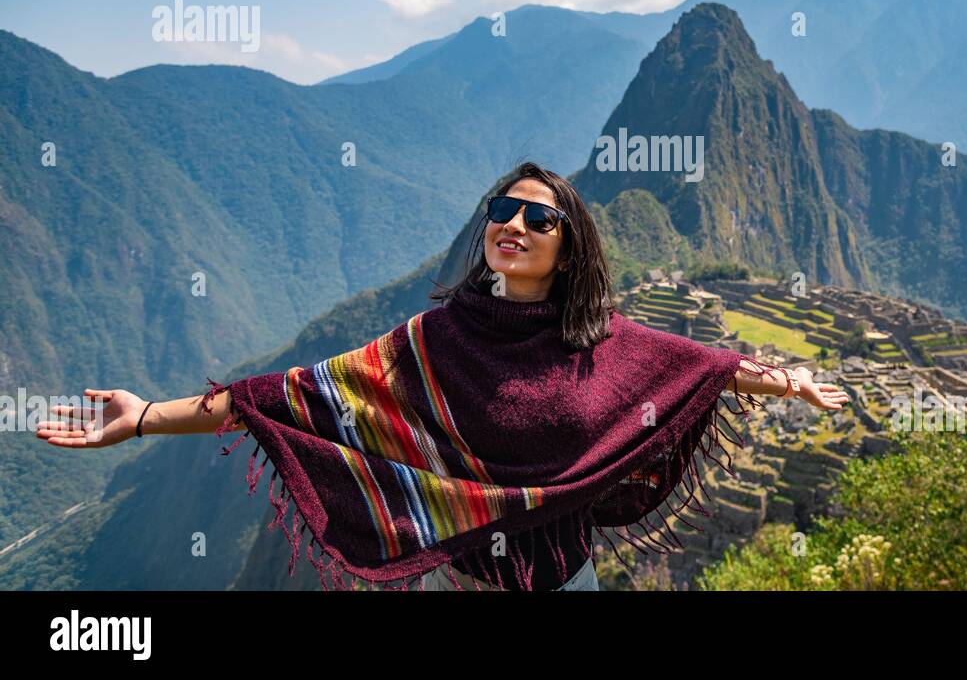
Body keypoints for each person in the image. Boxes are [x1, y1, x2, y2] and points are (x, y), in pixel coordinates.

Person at [37, 161, 849, 591]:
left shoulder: (597, 340)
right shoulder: (428, 345)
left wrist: (788, 381)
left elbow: (701, 366)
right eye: (503, 209)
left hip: (568, 580)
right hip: (465, 580)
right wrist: (145, 415)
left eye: (540, 217)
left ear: (569, 245)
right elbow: (279, 399)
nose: (515, 225)